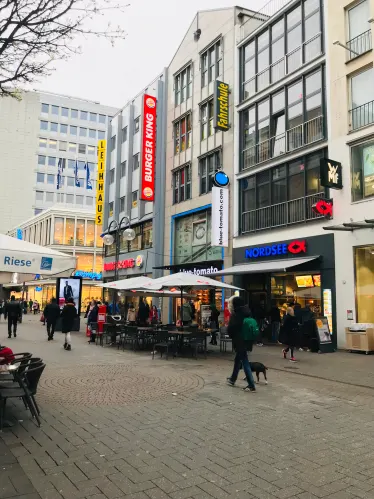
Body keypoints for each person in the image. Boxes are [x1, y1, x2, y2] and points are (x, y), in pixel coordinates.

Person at [226, 296, 257, 392]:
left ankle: (251, 384)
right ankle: (233, 378)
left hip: (239, 340)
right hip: (247, 340)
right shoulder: (247, 312)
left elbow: (231, 329)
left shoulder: (236, 314)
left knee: (244, 361)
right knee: (238, 359)